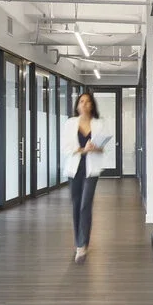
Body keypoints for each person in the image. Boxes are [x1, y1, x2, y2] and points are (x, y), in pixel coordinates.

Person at [63, 92, 110, 263]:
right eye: (81, 101)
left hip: (91, 169)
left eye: (88, 102)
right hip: (74, 169)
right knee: (76, 205)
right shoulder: (70, 123)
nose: (84, 104)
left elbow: (103, 148)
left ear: (92, 105)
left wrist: (95, 148)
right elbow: (66, 148)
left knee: (85, 205)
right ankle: (79, 242)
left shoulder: (99, 123)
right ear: (77, 105)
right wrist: (84, 150)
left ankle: (82, 245)